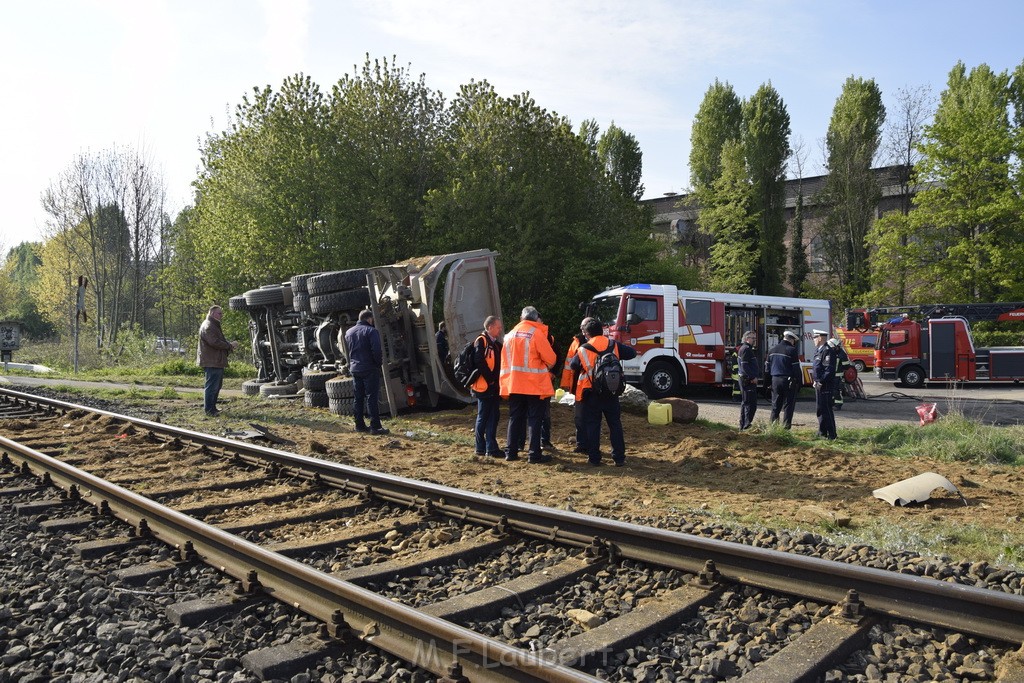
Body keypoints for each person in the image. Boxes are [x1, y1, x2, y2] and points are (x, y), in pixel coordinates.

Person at [569, 317, 637, 467]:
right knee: (615, 424)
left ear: (587, 333)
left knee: (593, 425)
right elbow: (632, 353)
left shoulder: (583, 348)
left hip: (592, 393)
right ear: (602, 331)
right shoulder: (613, 344)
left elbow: (573, 365)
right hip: (611, 391)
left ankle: (594, 458)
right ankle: (619, 458)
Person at [500, 306, 557, 464]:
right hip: (533, 386)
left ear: (521, 318)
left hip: (513, 384)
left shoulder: (508, 335)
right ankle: (534, 455)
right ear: (534, 318)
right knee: (534, 419)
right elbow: (551, 359)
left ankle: (510, 452)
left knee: (515, 418)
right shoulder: (536, 333)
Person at [344, 309, 390, 435]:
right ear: (369, 319)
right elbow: (377, 350)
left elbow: (348, 351)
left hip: (355, 368)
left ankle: (359, 425)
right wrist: (378, 364)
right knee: (371, 397)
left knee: (358, 398)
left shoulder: (349, 332)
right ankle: (375, 426)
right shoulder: (371, 331)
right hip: (369, 368)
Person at [196, 305, 239, 417]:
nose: (221, 316)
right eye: (219, 313)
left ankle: (212, 408)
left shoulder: (212, 325)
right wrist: (229, 345)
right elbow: (214, 342)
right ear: (212, 313)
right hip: (212, 361)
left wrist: (228, 345)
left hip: (215, 360)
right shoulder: (209, 326)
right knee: (212, 386)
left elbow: (216, 341)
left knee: (216, 386)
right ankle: (209, 410)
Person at [470, 316, 504, 457]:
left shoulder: (495, 343)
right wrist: (490, 379)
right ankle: (480, 447)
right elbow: (479, 361)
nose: (500, 329)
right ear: (490, 327)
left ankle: (491, 447)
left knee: (493, 416)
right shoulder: (482, 341)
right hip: (484, 386)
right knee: (483, 416)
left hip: (492, 386)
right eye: (498, 327)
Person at [559, 324, 589, 453]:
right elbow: (569, 364)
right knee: (580, 417)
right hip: (578, 386)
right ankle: (582, 444)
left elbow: (572, 364)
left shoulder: (594, 343)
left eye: (584, 327)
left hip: (590, 387)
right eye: (581, 327)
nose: (581, 329)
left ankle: (589, 444)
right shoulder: (576, 342)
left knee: (589, 417)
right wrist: (566, 384)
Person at [766, 330, 801, 429]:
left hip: (775, 380)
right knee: (788, 406)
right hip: (788, 381)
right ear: (792, 340)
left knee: (775, 405)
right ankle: (786, 428)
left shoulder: (772, 350)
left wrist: (768, 383)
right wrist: (799, 382)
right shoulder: (792, 350)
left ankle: (773, 427)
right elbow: (796, 369)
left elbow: (767, 369)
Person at [813, 330, 839, 440]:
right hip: (819, 384)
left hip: (825, 385)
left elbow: (829, 370)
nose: (813, 340)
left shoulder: (827, 351)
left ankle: (832, 435)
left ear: (820, 338)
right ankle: (822, 432)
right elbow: (817, 368)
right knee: (820, 409)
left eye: (814, 337)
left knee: (827, 410)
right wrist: (816, 380)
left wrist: (821, 381)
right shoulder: (819, 351)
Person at [736, 330, 759, 430]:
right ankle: (746, 425)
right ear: (746, 339)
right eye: (752, 338)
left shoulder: (745, 348)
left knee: (746, 402)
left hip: (745, 379)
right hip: (747, 380)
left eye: (755, 338)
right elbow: (744, 366)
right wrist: (752, 377)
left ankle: (743, 425)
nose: (754, 340)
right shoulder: (746, 349)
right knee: (750, 403)